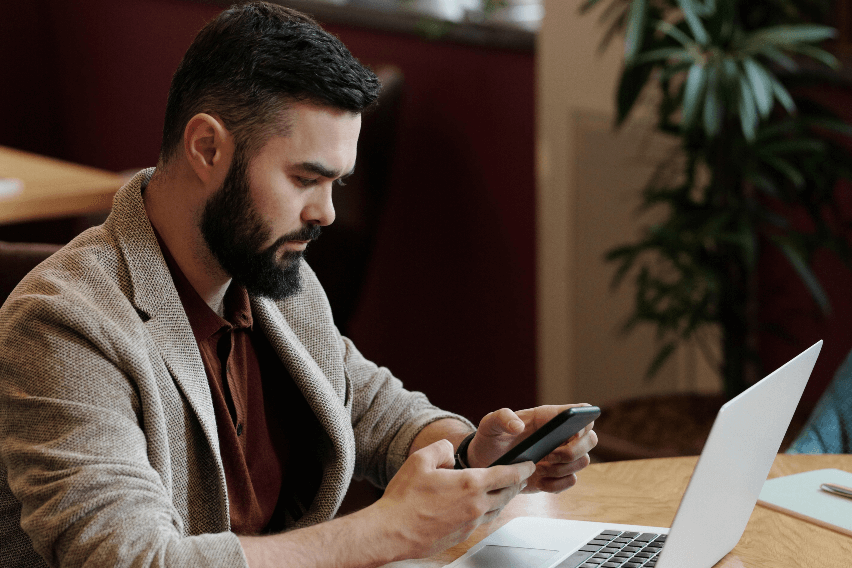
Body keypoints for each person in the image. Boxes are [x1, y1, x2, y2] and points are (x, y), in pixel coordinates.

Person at [0, 3, 597, 567]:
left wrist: (475, 453)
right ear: (207, 147)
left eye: (336, 183)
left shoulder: (269, 272)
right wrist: (384, 528)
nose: (327, 213)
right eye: (305, 178)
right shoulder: (63, 324)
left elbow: (367, 407)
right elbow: (130, 560)